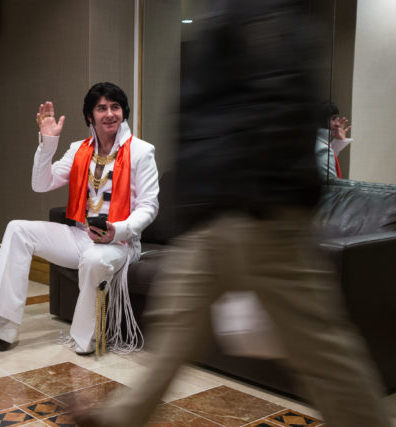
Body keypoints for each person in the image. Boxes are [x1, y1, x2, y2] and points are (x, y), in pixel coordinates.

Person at [73, 1, 391, 426]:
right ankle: (122, 418)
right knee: (177, 323)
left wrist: (256, 191)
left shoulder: (274, 16)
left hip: (265, 212)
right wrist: (195, 197)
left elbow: (280, 107)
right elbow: (200, 115)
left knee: (321, 346)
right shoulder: (226, 17)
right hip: (214, 213)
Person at [0, 82, 159, 355]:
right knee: (17, 229)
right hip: (79, 236)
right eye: (102, 108)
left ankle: (85, 339)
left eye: (116, 107)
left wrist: (118, 230)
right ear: (90, 116)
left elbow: (149, 206)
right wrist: (48, 143)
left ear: (124, 113)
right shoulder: (79, 149)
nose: (110, 114)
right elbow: (41, 183)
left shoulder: (141, 151)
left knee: (93, 258)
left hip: (120, 245)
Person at [315, 102, 353, 179]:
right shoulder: (322, 149)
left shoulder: (319, 144)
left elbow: (329, 156)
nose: (338, 125)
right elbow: (331, 186)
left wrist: (338, 141)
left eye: (337, 119)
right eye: (333, 119)